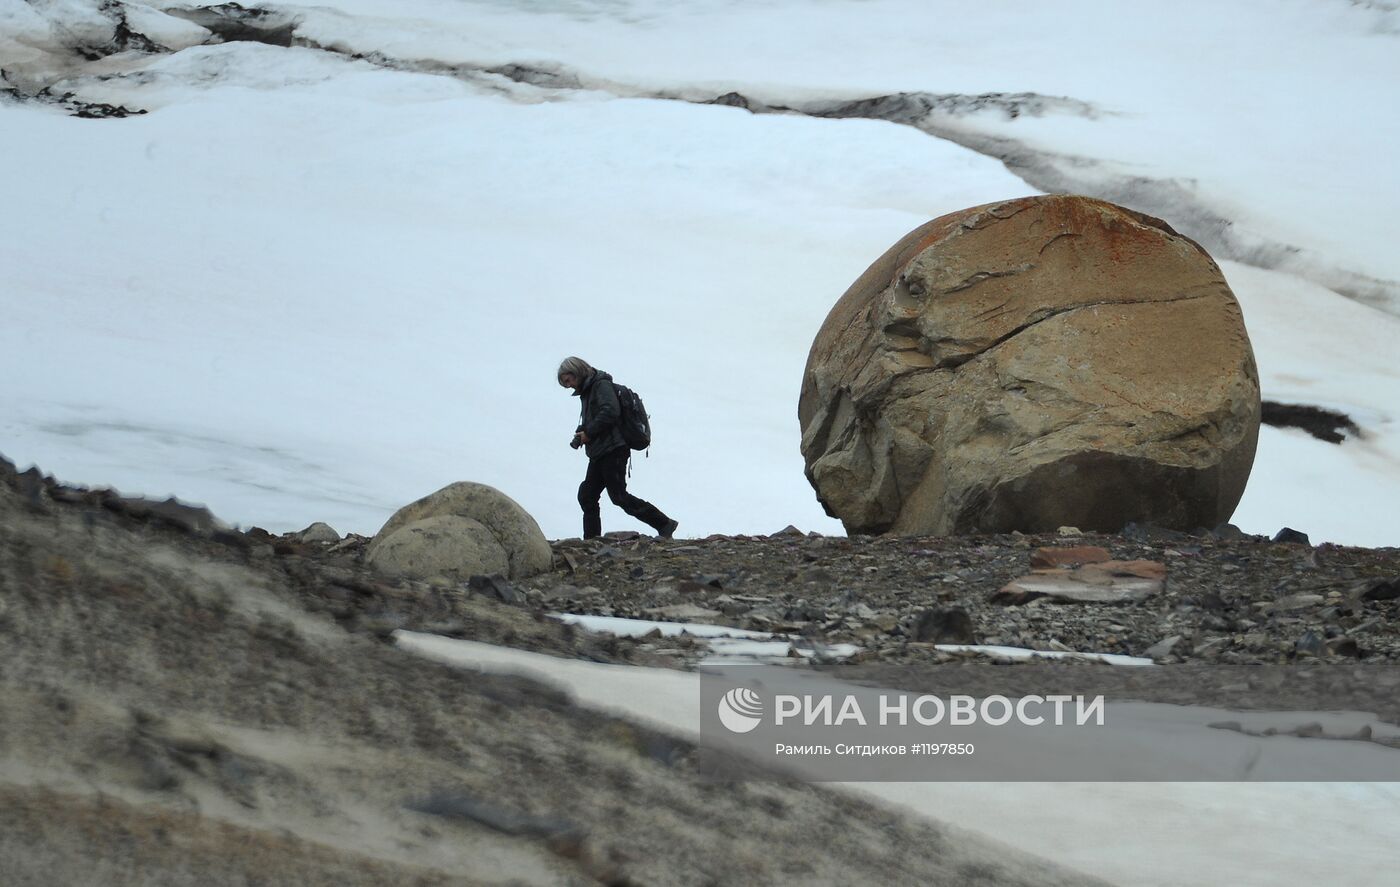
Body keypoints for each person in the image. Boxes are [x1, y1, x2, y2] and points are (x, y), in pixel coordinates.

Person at [558, 356, 678, 540]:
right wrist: (584, 430)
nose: (569, 386)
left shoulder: (601, 386)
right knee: (587, 495)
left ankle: (664, 523)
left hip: (614, 449)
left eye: (569, 380)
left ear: (577, 372)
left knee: (618, 496)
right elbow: (600, 415)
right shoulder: (588, 391)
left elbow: (611, 411)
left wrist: (589, 432)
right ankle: (592, 540)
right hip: (600, 451)